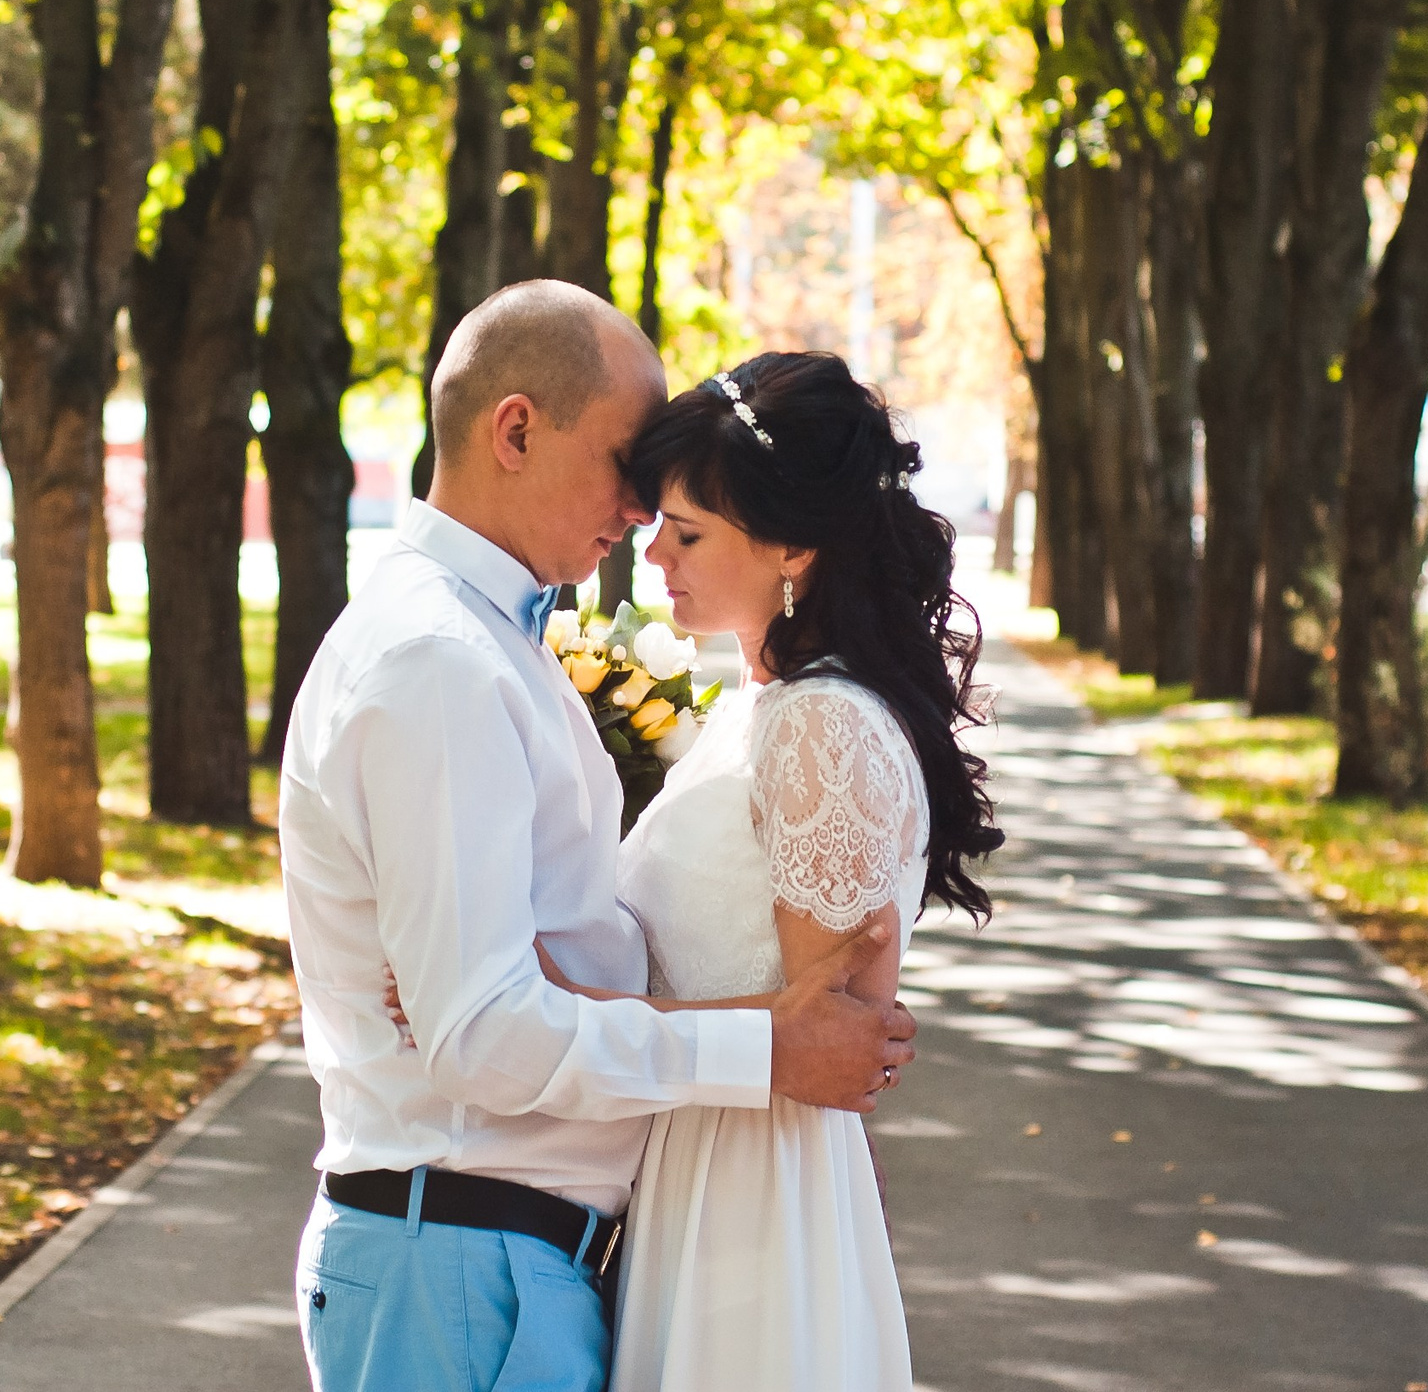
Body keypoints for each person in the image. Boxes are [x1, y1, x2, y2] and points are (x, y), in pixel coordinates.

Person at [277, 283, 917, 1392]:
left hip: (517, 1261)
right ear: (516, 428)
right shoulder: (439, 659)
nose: (636, 510)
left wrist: (561, 980)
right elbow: (480, 1036)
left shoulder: (488, 644)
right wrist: (766, 1044)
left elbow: (506, 991)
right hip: (463, 1262)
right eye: (626, 466)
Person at [548, 349, 1003, 1391]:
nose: (653, 551)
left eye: (688, 531)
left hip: (748, 1186)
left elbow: (828, 1039)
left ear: (793, 543)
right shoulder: (761, 710)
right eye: (657, 521)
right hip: (703, 1158)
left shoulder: (817, 725)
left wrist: (564, 1004)